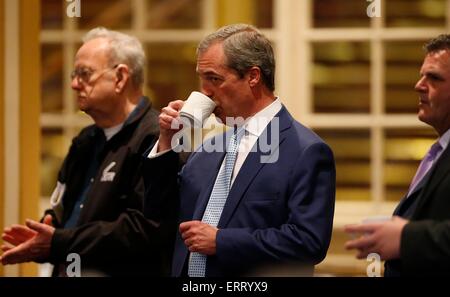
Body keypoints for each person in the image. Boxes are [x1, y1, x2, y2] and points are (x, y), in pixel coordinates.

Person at [142, 24, 336, 277]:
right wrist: (167, 140)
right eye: (202, 80)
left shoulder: (306, 151)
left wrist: (222, 241)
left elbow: (308, 242)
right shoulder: (209, 147)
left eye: (214, 79)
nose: (205, 92)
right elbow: (160, 214)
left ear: (253, 77)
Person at [0, 27, 177, 276]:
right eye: (74, 74)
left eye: (84, 74)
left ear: (120, 77)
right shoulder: (85, 140)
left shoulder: (158, 137)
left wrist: (58, 241)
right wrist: (47, 229)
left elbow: (144, 228)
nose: (73, 84)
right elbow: (63, 206)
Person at [345, 34, 450, 276]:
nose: (419, 85)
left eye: (434, 78)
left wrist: (405, 238)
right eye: (422, 74)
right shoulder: (439, 150)